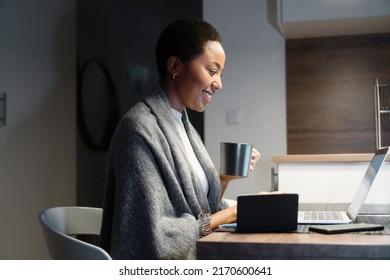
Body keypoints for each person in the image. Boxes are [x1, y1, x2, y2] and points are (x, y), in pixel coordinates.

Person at [100, 18, 261, 260]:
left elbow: (196, 210)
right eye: (212, 71)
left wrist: (223, 180)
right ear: (175, 66)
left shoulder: (183, 126)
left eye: (220, 73)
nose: (218, 83)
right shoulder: (138, 129)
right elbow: (152, 237)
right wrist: (231, 214)